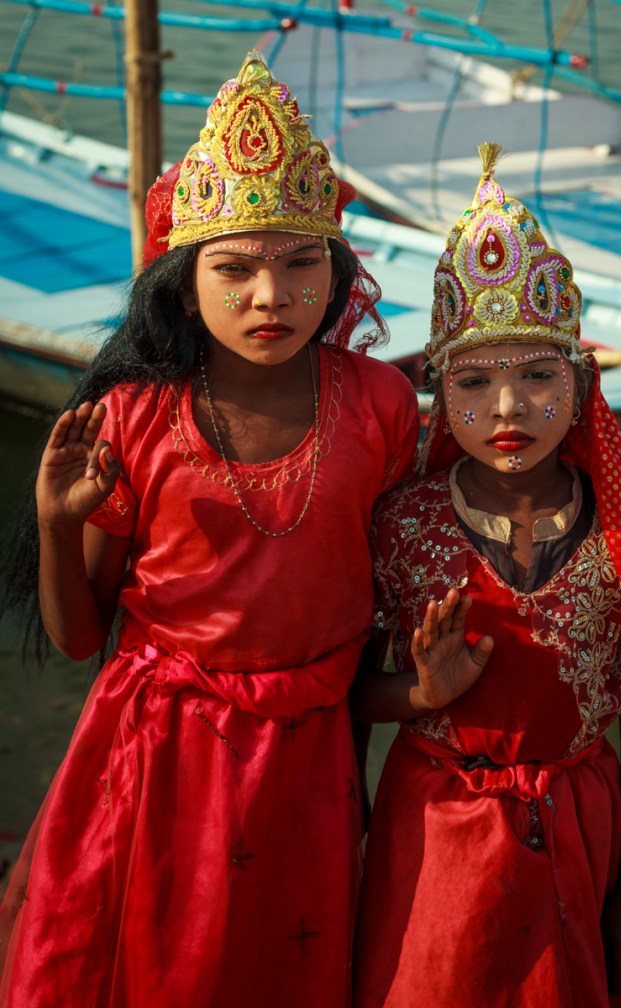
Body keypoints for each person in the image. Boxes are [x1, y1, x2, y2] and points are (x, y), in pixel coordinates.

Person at [0, 50, 419, 1008]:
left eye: (300, 263)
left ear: (338, 270)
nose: (271, 298)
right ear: (186, 285)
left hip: (311, 746)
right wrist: (54, 525)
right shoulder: (137, 418)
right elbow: (77, 641)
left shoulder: (381, 405)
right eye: (235, 271)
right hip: (158, 751)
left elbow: (384, 596)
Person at [352, 142, 621, 1008]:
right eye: (476, 381)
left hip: (585, 830)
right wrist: (420, 695)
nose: (507, 409)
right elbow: (346, 701)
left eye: (538, 376)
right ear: (438, 390)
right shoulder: (397, 525)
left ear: (579, 384)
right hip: (433, 837)